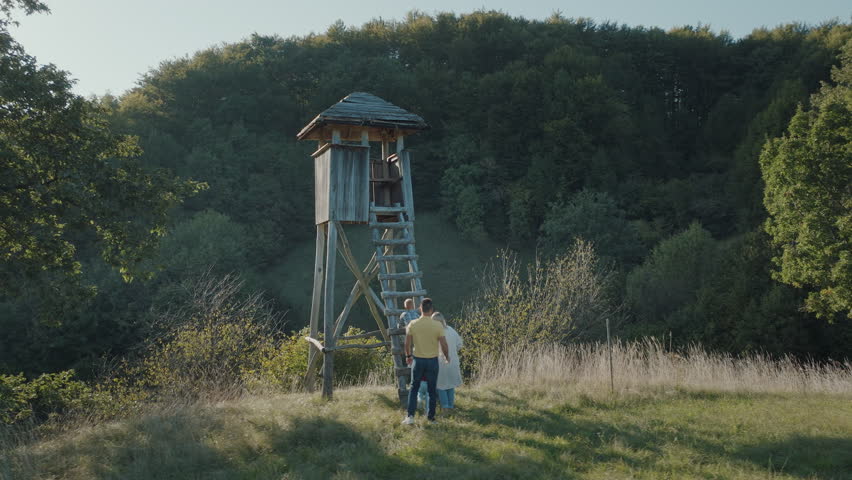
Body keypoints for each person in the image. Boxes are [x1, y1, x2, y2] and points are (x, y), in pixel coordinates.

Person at [401, 298, 448, 425]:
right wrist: (447, 356)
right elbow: (444, 344)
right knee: (432, 390)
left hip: (418, 360)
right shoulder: (437, 325)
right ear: (431, 310)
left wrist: (408, 356)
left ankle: (410, 417)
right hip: (432, 360)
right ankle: (431, 418)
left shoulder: (412, 324)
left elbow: (407, 343)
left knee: (414, 387)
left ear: (420, 309)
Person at [433, 312, 463, 410]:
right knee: (450, 385)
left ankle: (446, 407)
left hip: (440, 362)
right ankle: (451, 406)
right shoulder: (450, 329)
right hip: (453, 361)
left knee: (441, 385)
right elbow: (459, 345)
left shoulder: (434, 333)